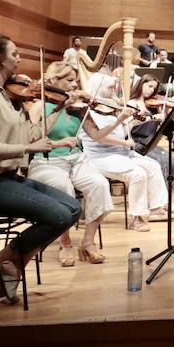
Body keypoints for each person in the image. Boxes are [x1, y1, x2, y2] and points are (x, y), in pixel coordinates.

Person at [0, 33, 84, 301]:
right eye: (14, 54)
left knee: (73, 208)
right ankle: (6, 263)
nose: (19, 59)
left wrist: (58, 108)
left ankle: (6, 260)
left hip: (8, 179)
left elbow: (32, 134)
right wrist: (30, 149)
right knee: (59, 217)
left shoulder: (6, 96)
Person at [24, 61, 111, 265]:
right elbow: (28, 140)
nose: (75, 85)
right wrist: (57, 142)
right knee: (63, 187)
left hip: (76, 160)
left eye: (76, 80)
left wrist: (118, 119)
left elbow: (97, 135)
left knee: (100, 184)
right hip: (47, 162)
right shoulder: (38, 106)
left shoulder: (77, 109)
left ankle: (88, 243)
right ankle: (65, 243)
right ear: (53, 81)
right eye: (70, 80)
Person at [81, 75, 169, 230]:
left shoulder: (112, 107)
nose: (114, 91)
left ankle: (156, 208)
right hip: (100, 156)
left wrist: (132, 122)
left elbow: (121, 129)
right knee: (138, 174)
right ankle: (136, 217)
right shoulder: (88, 111)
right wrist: (123, 140)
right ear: (99, 88)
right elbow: (100, 137)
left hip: (121, 153)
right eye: (110, 88)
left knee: (153, 165)